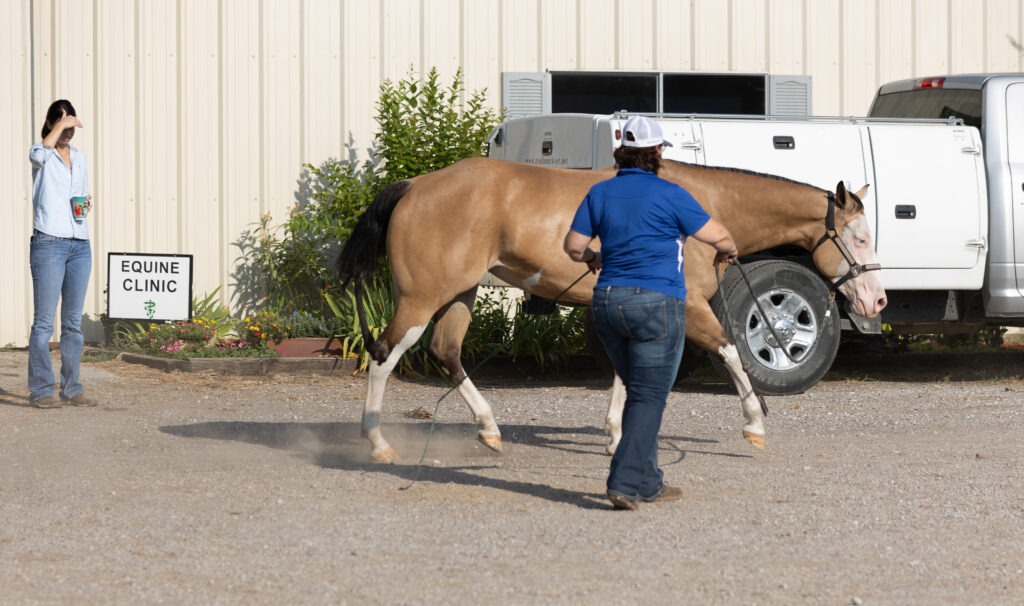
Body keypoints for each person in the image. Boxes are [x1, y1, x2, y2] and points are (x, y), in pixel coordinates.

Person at [563, 116, 737, 510]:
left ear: (621, 153)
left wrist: (594, 257)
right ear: (657, 153)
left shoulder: (599, 192)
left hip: (607, 304)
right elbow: (721, 235)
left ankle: (648, 481)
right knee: (649, 396)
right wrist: (729, 250)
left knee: (640, 393)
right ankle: (623, 482)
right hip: (657, 304)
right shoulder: (671, 193)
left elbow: (573, 246)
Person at [27, 99, 96, 409]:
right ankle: (41, 391)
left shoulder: (79, 158)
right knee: (44, 324)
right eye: (62, 123)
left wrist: (84, 204)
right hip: (49, 243)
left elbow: (77, 200)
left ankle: (72, 388)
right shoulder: (42, 153)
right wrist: (60, 124)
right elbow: (39, 152)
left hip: (79, 243)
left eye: (72, 124)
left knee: (72, 324)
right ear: (54, 123)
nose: (69, 130)